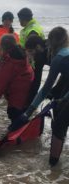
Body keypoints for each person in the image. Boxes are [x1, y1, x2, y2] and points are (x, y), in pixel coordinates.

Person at [14, 27, 69, 166]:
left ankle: (53, 168)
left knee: (59, 126)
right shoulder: (65, 53)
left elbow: (45, 89)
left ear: (50, 43)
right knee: (60, 114)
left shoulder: (59, 58)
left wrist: (28, 112)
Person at [0, 34, 34, 125]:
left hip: (16, 103)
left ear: (2, 47)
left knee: (15, 127)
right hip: (28, 99)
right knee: (22, 124)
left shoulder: (8, 62)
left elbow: (0, 87)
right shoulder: (23, 56)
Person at [25, 35, 50, 104]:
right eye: (27, 52)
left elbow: (51, 78)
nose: (29, 55)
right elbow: (36, 78)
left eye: (30, 51)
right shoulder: (39, 54)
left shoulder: (51, 50)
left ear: (38, 47)